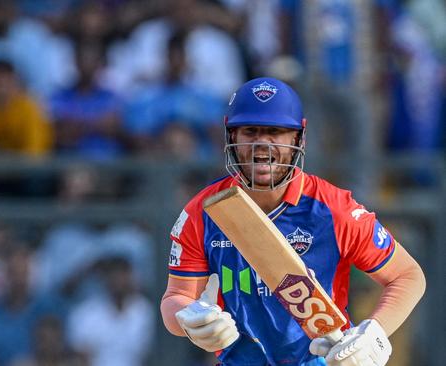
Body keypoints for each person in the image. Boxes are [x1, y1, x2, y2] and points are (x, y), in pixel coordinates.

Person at [160, 77, 426, 365]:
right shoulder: (203, 211)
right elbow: (176, 297)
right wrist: (190, 319)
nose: (263, 143)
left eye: (276, 131)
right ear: (231, 136)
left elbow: (407, 276)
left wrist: (374, 334)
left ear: (298, 138)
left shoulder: (333, 209)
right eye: (250, 131)